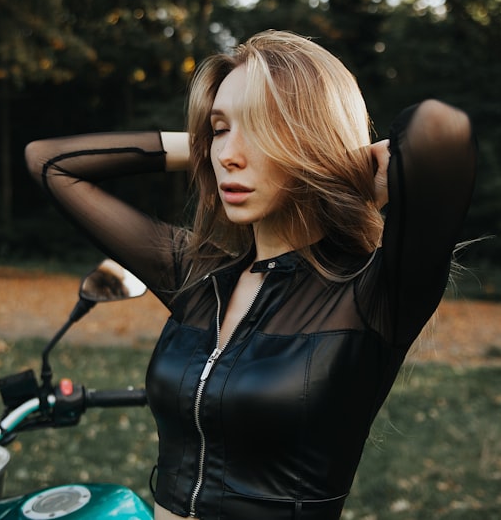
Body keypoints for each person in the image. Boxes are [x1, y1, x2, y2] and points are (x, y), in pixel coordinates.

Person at [25, 30, 477, 520]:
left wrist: (346, 165)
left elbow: (438, 131)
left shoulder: (369, 294)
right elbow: (48, 164)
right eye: (221, 130)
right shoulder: (198, 273)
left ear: (315, 141)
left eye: (262, 128)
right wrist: (203, 143)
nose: (228, 156)